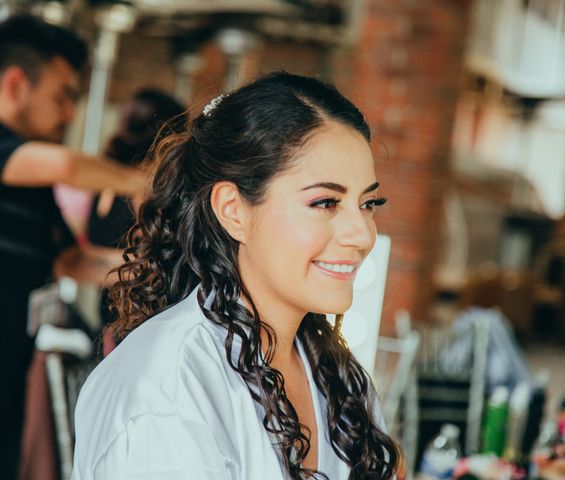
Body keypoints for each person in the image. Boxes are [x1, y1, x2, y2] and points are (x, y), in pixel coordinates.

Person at [71, 71, 401, 479]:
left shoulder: (336, 376)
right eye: (325, 202)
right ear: (233, 210)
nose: (362, 234)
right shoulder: (167, 386)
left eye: (369, 203)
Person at [0, 14, 146, 478]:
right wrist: (140, 181)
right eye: (64, 97)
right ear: (16, 84)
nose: (70, 114)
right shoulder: (24, 159)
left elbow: (70, 259)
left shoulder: (32, 186)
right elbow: (65, 164)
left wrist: (153, 273)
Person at [54, 89, 186, 325]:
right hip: (134, 318)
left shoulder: (106, 182)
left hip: (116, 315)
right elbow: (151, 266)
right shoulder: (146, 191)